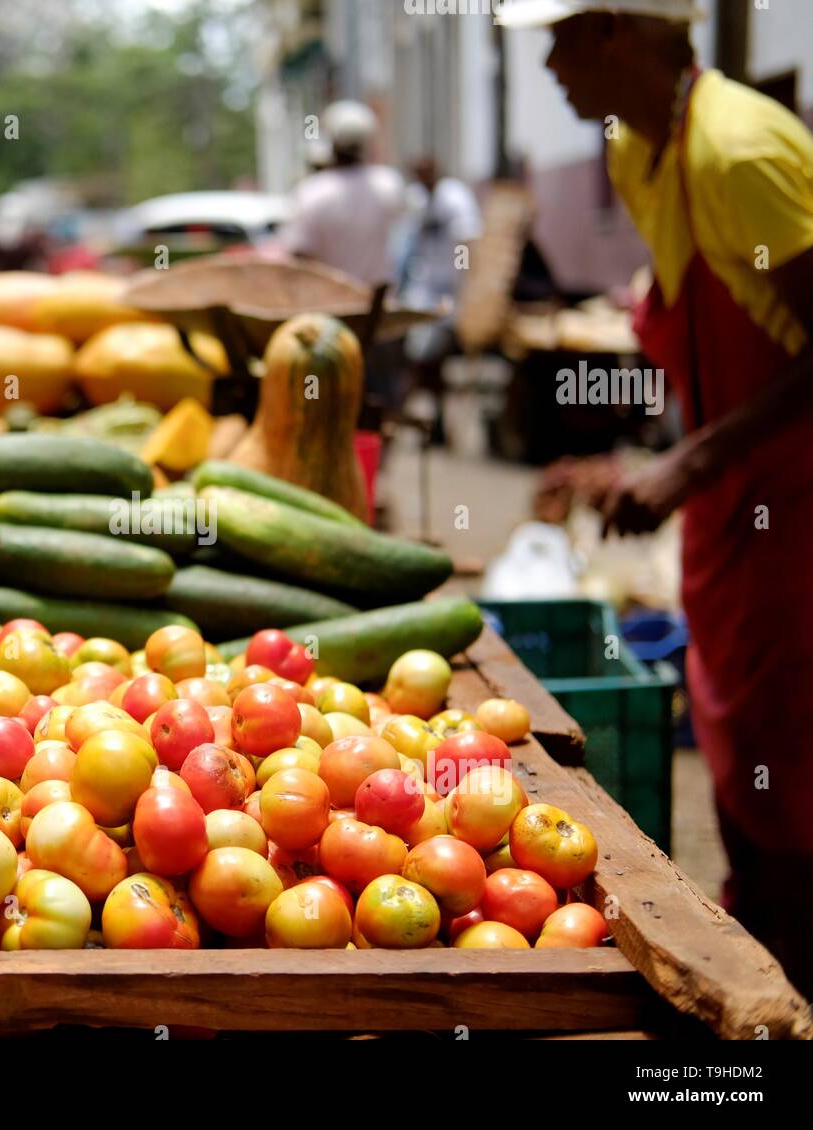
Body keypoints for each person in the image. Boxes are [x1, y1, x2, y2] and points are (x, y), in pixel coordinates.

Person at [498, 0, 813, 996]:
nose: (546, 65)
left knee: (795, 751)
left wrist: (689, 464)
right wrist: (648, 460)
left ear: (618, 34)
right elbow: (712, 350)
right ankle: (768, 949)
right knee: (742, 745)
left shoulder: (735, 149)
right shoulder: (643, 153)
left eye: (558, 38)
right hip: (740, 500)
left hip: (798, 499)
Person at [282, 100, 406, 287]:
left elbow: (299, 256)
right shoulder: (388, 185)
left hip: (328, 305)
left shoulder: (311, 192)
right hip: (377, 305)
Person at [397, 156, 482, 313]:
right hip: (424, 280)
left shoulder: (455, 196)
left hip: (450, 282)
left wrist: (462, 273)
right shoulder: (416, 197)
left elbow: (465, 240)